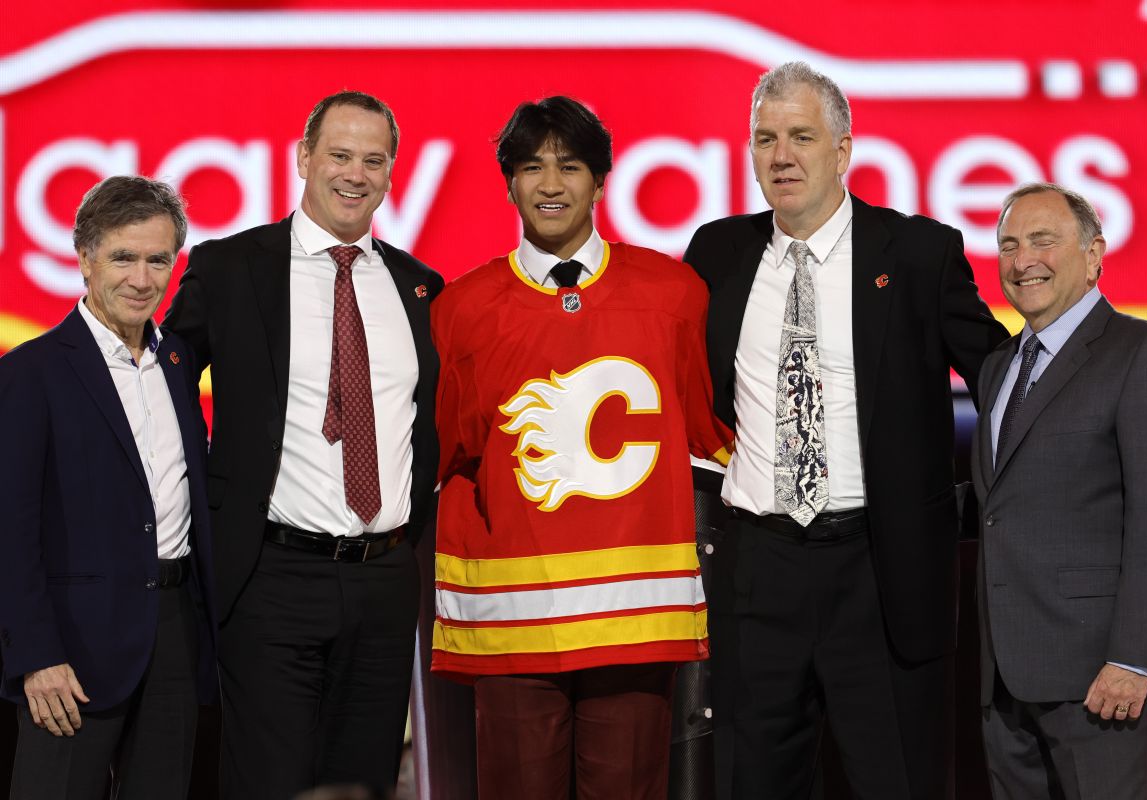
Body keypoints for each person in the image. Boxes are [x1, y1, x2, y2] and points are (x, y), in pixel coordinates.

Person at [683, 61, 1009, 799]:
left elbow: (1002, 378)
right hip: (758, 568)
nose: (781, 156)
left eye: (801, 136)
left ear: (844, 148)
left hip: (882, 570)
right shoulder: (717, 253)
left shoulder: (918, 253)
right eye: (764, 139)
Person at [431, 95, 732, 800]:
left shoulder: (674, 293)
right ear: (508, 182)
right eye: (532, 166)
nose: (551, 183)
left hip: (635, 620)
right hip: (512, 619)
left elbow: (713, 431)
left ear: (601, 178)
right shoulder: (461, 308)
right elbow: (445, 450)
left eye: (570, 165)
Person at [164, 90, 443, 799]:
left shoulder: (419, 288)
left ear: (391, 172)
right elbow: (160, 387)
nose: (355, 174)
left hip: (384, 584)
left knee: (365, 782)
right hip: (271, 577)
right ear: (304, 159)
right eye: (340, 155)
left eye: (373, 160)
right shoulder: (230, 269)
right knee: (271, 782)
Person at [972, 182, 1147, 799]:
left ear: (1096, 253)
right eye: (1009, 245)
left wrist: (1134, 660)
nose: (1023, 262)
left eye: (1044, 241)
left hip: (1103, 685)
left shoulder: (1145, 353)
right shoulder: (999, 367)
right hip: (1007, 685)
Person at [0, 175, 216, 799]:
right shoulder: (29, 373)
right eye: (124, 257)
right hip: (71, 649)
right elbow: (10, 532)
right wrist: (35, 655)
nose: (142, 280)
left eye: (158, 260)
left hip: (175, 636)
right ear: (85, 257)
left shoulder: (177, 363)